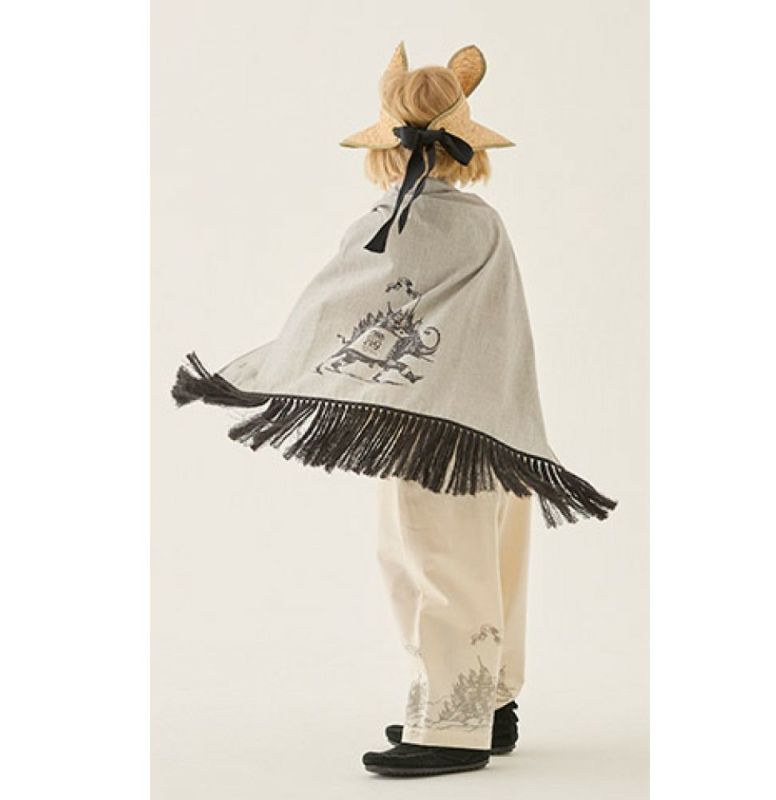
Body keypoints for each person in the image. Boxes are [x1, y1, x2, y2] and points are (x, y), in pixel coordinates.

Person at [172, 42, 615, 778]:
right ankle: (490, 703)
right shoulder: (485, 224)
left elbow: (330, 316)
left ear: (385, 148)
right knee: (492, 562)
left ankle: (451, 726)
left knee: (426, 561)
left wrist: (260, 370)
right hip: (494, 425)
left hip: (422, 430)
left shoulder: (387, 224)